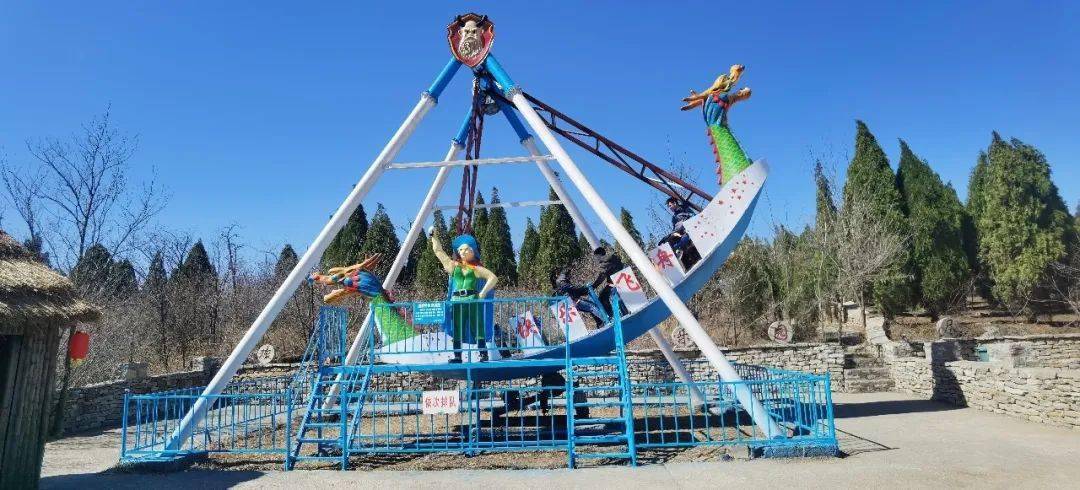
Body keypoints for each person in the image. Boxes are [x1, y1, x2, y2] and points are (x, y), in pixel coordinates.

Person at [430, 231, 498, 363]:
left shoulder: (475, 268)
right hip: (457, 302)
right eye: (461, 249)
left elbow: (493, 278)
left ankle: (483, 355)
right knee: (458, 329)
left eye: (467, 249)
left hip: (472, 300)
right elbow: (439, 252)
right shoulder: (453, 266)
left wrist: (483, 293)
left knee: (477, 327)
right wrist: (434, 237)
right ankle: (457, 356)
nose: (463, 251)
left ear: (472, 251)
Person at [661, 197, 700, 268]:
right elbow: (675, 229)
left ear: (675, 203)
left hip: (689, 230)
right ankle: (684, 264)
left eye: (670, 206)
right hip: (680, 233)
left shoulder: (684, 209)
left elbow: (692, 217)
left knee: (682, 241)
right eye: (668, 207)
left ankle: (693, 258)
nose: (669, 208)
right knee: (671, 242)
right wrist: (671, 235)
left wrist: (685, 227)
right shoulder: (674, 217)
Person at [590, 246, 626, 318]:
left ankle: (613, 316)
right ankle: (619, 313)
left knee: (603, 297)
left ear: (599, 255)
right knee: (605, 294)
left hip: (615, 283)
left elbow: (602, 276)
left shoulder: (604, 261)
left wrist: (593, 286)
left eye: (596, 257)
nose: (596, 259)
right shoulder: (613, 257)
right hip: (624, 279)